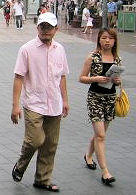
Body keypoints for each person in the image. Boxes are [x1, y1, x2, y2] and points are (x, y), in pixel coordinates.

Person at [11, 12, 69, 192]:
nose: (45, 30)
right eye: (42, 27)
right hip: (34, 103)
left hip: (54, 104)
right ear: (38, 28)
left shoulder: (60, 49)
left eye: (49, 27)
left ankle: (42, 179)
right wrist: (15, 106)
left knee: (50, 144)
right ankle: (21, 165)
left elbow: (62, 77)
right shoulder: (27, 49)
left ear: (56, 30)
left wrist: (65, 100)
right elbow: (18, 77)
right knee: (36, 140)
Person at [79, 28, 121, 185]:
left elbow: (117, 79)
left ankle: (88, 155)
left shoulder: (117, 59)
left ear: (115, 41)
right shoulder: (92, 57)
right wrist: (95, 78)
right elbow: (81, 78)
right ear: (99, 40)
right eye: (104, 38)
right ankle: (105, 172)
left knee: (99, 134)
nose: (107, 41)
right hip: (95, 99)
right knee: (101, 136)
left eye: (110, 38)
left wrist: (117, 81)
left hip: (110, 99)